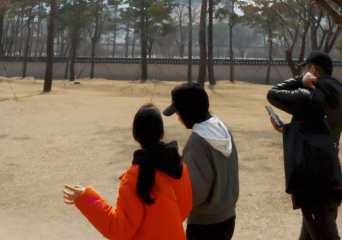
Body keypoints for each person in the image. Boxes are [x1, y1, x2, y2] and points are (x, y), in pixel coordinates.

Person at [63, 103, 192, 240]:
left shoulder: (134, 177)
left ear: (134, 136)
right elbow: (183, 211)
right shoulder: (179, 167)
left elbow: (119, 229)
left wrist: (89, 199)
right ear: (162, 134)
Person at [267, 50, 342, 240]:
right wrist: (286, 129)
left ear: (312, 69)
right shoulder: (335, 96)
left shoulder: (308, 95)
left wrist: (299, 81)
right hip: (331, 176)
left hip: (312, 182)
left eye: (305, 69)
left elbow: (273, 94)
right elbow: (319, 129)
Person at [163, 82, 239, 240]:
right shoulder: (221, 128)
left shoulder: (198, 142)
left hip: (205, 226)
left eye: (179, 112)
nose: (178, 118)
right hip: (228, 218)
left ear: (188, 110)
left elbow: (195, 194)